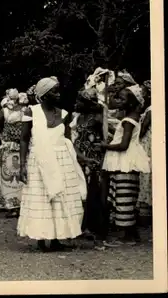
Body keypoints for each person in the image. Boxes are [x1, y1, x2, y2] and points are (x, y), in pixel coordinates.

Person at [17, 77, 87, 252]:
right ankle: (41, 239)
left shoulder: (64, 114)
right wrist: (22, 165)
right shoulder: (30, 112)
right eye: (54, 91)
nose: (58, 94)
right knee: (42, 199)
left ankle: (57, 238)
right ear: (44, 95)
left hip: (62, 160)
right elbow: (24, 140)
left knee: (60, 199)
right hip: (39, 160)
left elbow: (68, 140)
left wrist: (81, 157)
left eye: (58, 90)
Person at [99, 85, 150, 246]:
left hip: (125, 162)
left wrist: (105, 146)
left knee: (124, 198)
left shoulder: (128, 121)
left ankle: (127, 237)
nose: (118, 101)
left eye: (122, 98)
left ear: (131, 103)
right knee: (127, 197)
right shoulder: (133, 117)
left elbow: (123, 145)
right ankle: (132, 234)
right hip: (128, 161)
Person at [73, 88, 107, 250]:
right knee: (82, 191)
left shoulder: (97, 117)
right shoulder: (79, 117)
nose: (77, 104)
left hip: (93, 157)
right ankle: (83, 225)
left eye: (80, 101)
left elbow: (104, 135)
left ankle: (96, 227)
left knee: (94, 190)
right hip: (80, 156)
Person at [0, 89, 27, 218]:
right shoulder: (4, 111)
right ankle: (11, 205)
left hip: (21, 146)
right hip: (9, 146)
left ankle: (21, 205)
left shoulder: (26, 110)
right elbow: (0, 126)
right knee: (8, 176)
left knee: (19, 175)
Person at [137, 80, 152, 222]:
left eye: (143, 92)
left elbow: (142, 131)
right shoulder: (148, 109)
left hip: (147, 144)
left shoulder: (150, 110)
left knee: (146, 174)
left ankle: (145, 211)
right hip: (147, 143)